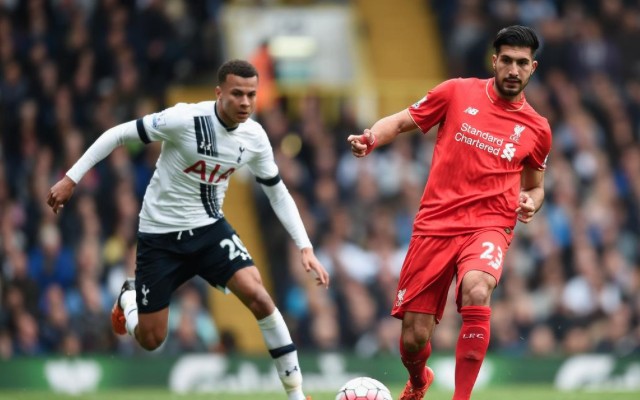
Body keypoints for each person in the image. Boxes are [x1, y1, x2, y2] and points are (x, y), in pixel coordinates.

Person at [47, 59, 329, 400]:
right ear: (218, 92)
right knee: (151, 340)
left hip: (209, 229)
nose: (245, 102)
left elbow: (277, 191)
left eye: (251, 95)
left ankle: (296, 395)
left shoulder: (255, 137)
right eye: (237, 93)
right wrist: (71, 178)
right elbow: (119, 133)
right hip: (160, 236)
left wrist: (305, 245)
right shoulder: (184, 119)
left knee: (259, 296)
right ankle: (128, 297)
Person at [348, 25, 551, 400]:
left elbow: (535, 185)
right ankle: (419, 379)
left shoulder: (537, 129)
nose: (512, 70)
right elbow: (401, 121)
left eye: (521, 63)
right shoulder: (457, 92)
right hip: (435, 225)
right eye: (506, 60)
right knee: (413, 339)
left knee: (477, 288)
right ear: (494, 61)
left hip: (489, 225)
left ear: (532, 68)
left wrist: (531, 202)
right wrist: (371, 137)